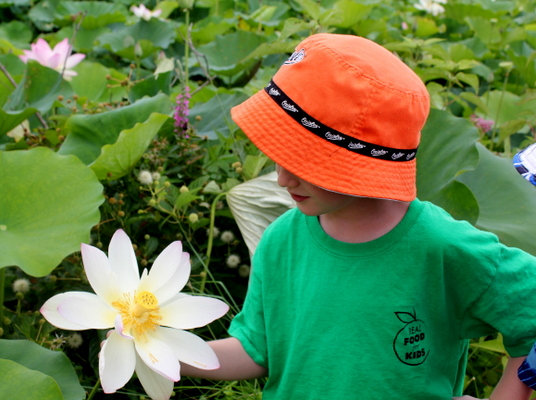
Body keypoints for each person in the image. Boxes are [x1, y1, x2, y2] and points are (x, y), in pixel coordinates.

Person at [180, 33, 536, 399]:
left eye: (304, 161)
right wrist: (165, 353)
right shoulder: (281, 241)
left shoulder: (439, 246)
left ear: (363, 165)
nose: (283, 178)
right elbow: (255, 350)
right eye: (280, 154)